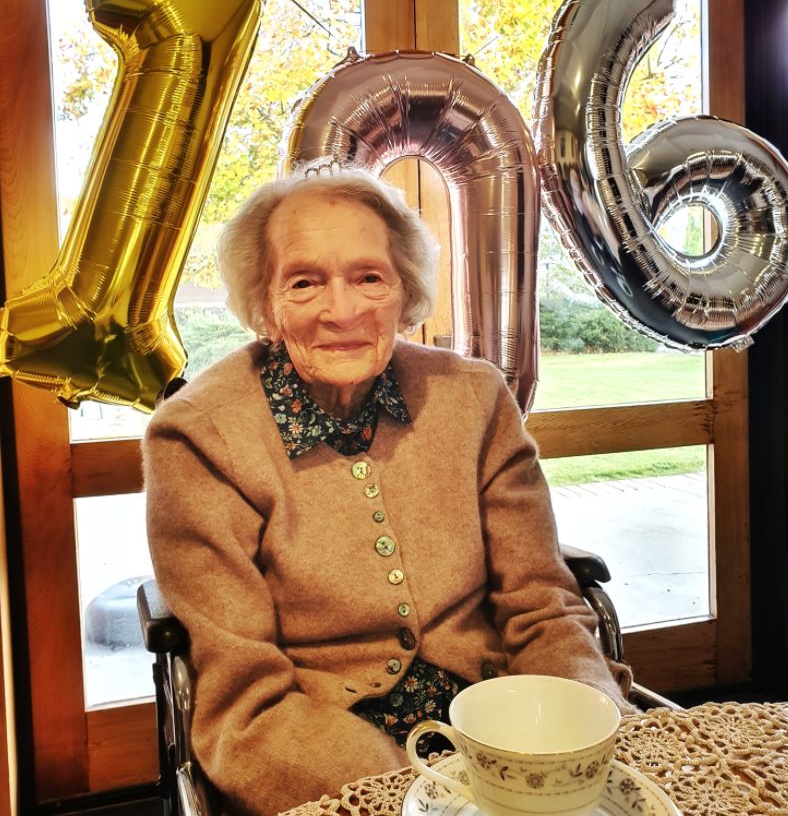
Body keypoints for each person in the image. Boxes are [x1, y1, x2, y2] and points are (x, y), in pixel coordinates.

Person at [143, 159, 633, 816]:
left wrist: (590, 727)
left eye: (368, 276)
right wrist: (420, 798)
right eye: (305, 281)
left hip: (503, 725)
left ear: (404, 291)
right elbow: (246, 700)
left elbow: (539, 603)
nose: (341, 310)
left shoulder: (474, 399)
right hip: (319, 743)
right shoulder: (200, 437)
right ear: (264, 303)